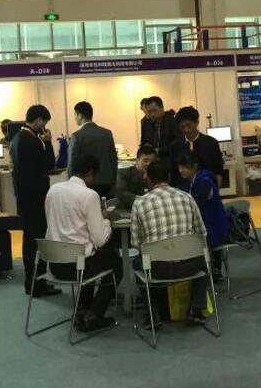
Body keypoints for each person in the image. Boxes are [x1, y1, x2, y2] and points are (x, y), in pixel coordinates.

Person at [45, 155, 121, 332]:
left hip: (55, 263)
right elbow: (100, 239)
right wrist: (106, 221)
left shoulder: (53, 190)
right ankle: (93, 315)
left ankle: (82, 310)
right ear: (90, 173)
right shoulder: (89, 195)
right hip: (78, 266)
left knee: (91, 257)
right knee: (116, 264)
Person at [131, 160, 210, 326]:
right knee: (204, 261)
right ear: (168, 177)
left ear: (148, 179)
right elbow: (202, 234)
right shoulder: (187, 197)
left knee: (137, 262)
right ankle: (196, 309)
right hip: (190, 266)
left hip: (158, 270)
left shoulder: (139, 203)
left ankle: (152, 315)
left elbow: (136, 243)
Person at [16, 105, 61, 297]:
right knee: (37, 241)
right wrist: (48, 143)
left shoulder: (19, 138)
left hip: (26, 198)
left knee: (29, 240)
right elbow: (49, 164)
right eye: (45, 122)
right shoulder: (32, 141)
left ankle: (33, 282)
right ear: (39, 120)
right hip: (36, 199)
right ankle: (37, 283)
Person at [177, 151, 227, 250]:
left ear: (195, 166)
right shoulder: (191, 181)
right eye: (180, 167)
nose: (181, 170)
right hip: (205, 226)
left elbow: (196, 207)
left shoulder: (204, 182)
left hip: (212, 228)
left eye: (184, 167)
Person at [68, 102, 118, 199]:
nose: (75, 118)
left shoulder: (76, 136)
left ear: (80, 115)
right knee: (104, 206)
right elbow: (113, 159)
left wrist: (72, 183)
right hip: (106, 181)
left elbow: (72, 163)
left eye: (75, 114)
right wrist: (113, 181)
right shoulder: (107, 133)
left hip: (85, 183)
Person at [171, 106, 224, 188]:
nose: (186, 130)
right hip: (183, 190)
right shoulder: (175, 146)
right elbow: (174, 172)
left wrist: (215, 190)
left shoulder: (211, 143)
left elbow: (218, 170)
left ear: (197, 122)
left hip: (207, 188)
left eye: (189, 125)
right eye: (182, 127)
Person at [116, 145, 157, 209]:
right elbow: (122, 193)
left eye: (152, 162)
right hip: (126, 210)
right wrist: (144, 200)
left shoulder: (156, 175)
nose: (149, 164)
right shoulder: (123, 173)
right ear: (137, 160)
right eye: (145, 161)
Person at [140, 96, 179, 161]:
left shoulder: (172, 121)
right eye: (149, 112)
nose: (152, 114)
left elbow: (178, 142)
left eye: (154, 110)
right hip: (152, 160)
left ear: (162, 108)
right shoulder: (146, 124)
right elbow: (143, 141)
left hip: (169, 159)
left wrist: (160, 150)